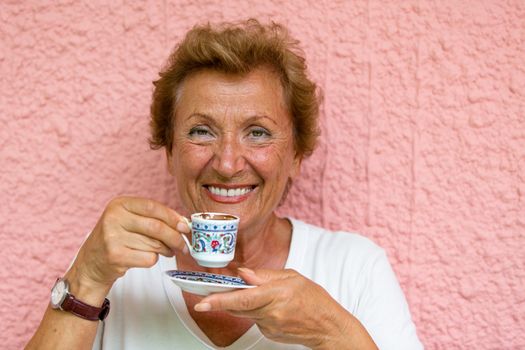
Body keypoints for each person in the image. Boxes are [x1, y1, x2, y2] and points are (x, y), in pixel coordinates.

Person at [27, 19, 423, 349]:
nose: (228, 163)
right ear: (170, 152)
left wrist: (334, 331)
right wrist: (88, 277)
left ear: (297, 157)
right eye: (201, 131)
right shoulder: (118, 265)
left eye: (258, 133)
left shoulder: (354, 268)